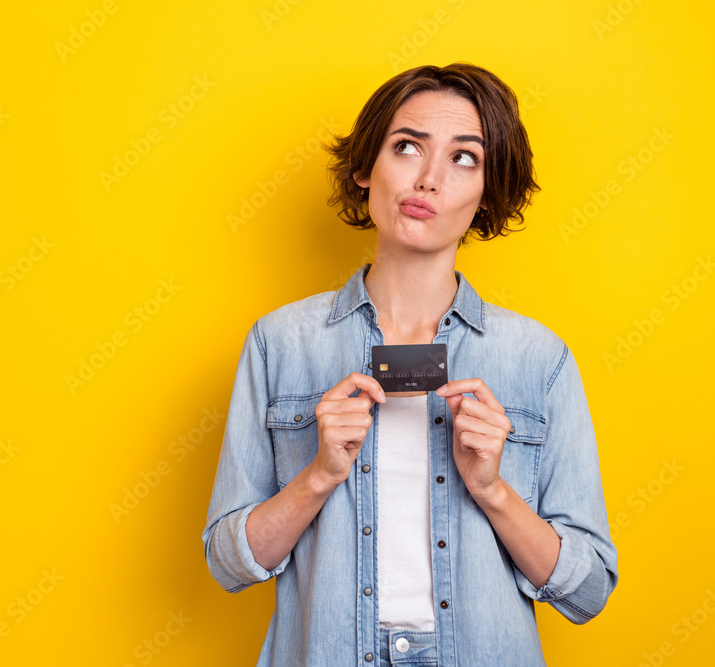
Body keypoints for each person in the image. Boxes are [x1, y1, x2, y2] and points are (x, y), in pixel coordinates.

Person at [202, 62, 618, 666]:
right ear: (365, 168)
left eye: (463, 158)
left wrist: (493, 490)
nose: (428, 180)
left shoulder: (538, 360)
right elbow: (228, 564)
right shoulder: (280, 343)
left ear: (487, 193)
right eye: (407, 147)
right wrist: (318, 474)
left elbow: (588, 590)